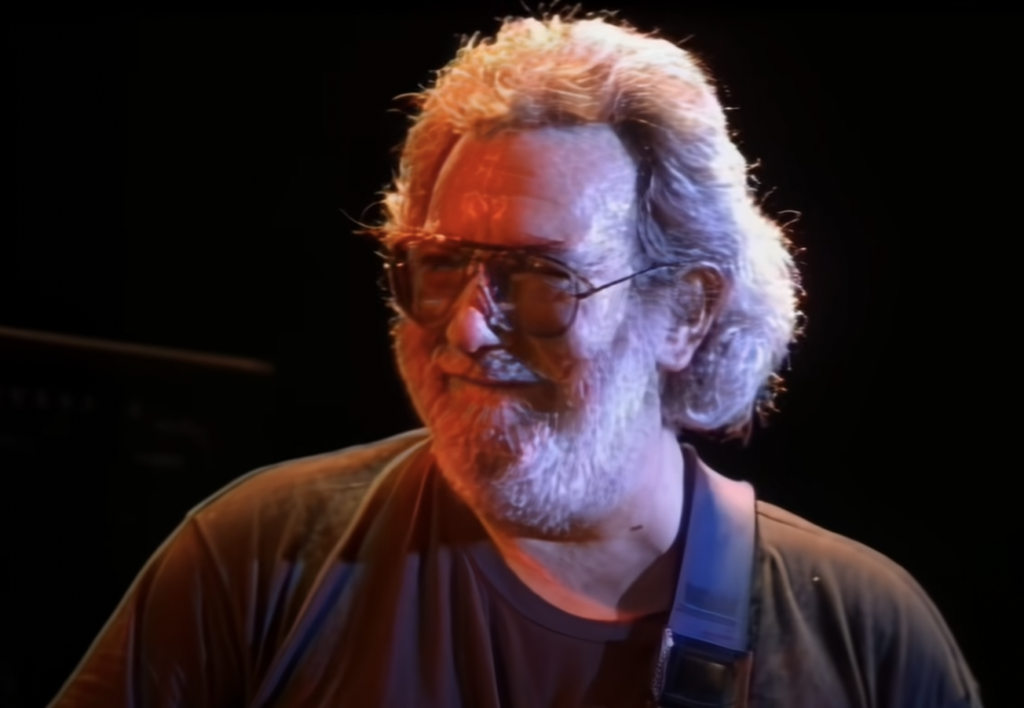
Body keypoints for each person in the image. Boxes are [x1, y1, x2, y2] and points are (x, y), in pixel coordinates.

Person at [49, 14, 981, 708]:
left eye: (540, 277)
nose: (464, 329)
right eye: (442, 265)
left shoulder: (866, 636)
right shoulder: (254, 558)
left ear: (688, 313)